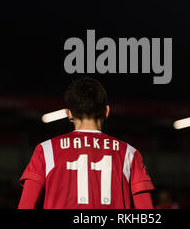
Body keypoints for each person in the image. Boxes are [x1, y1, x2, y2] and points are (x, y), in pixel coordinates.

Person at [18, 77, 155, 209]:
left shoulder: (45, 150)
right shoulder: (130, 153)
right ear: (107, 111)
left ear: (69, 114)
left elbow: (26, 206)